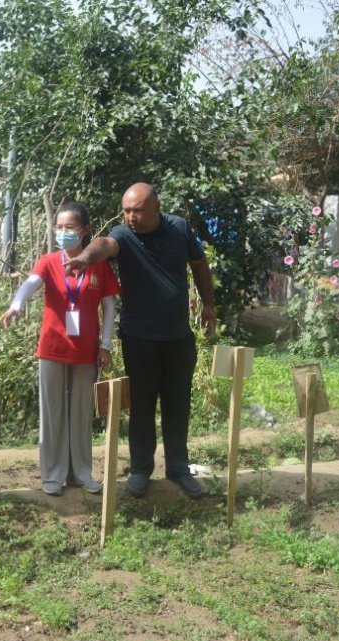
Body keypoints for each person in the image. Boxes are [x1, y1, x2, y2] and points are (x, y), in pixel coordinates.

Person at [64, 183, 216, 499]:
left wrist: (209, 306)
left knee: (178, 405)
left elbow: (200, 265)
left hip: (178, 338)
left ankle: (178, 469)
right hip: (140, 339)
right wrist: (85, 257)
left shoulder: (179, 229)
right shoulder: (123, 235)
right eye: (127, 211)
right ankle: (140, 470)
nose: (131, 217)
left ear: (157, 208)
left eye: (138, 211)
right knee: (142, 406)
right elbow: (105, 245)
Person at [1, 202, 120, 496]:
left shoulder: (99, 264)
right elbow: (31, 283)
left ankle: (82, 473)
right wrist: (16, 305)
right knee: (52, 411)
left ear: (85, 230)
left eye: (70, 227)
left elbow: (109, 307)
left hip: (86, 351)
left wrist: (105, 345)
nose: (63, 233)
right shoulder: (48, 261)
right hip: (52, 348)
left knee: (82, 412)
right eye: (59, 227)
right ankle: (52, 475)